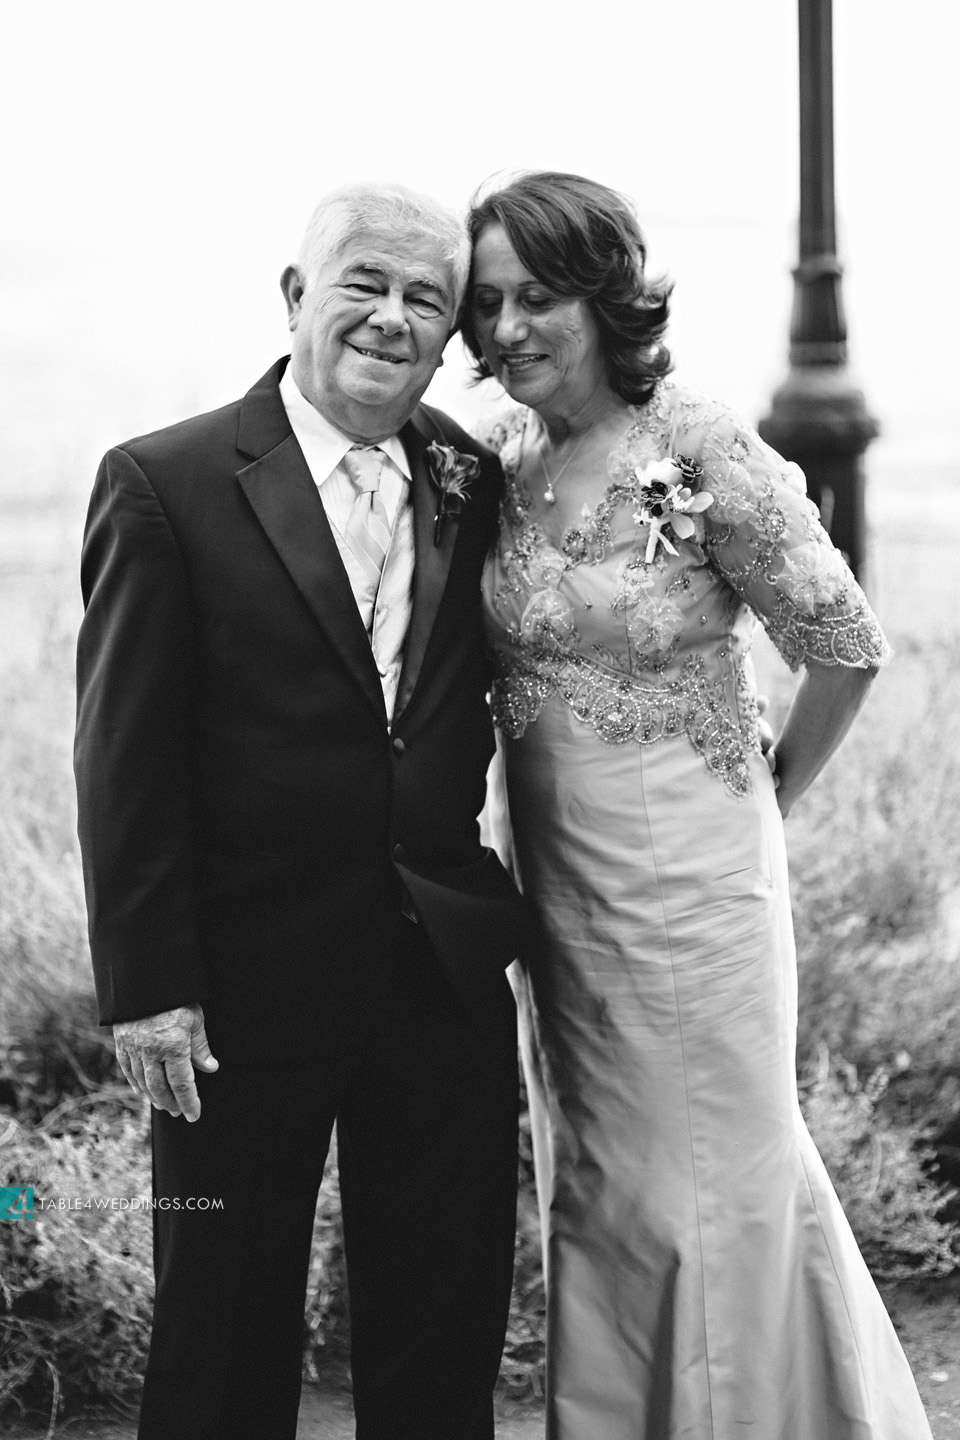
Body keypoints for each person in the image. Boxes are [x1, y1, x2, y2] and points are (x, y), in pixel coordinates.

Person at [461, 170, 932, 1439]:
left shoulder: (698, 442)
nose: (507, 329)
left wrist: (768, 792)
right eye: (488, 301)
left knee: (711, 1187)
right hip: (555, 899)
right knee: (605, 1190)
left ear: (606, 296)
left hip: (699, 900)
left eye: (539, 296)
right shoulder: (502, 461)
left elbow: (843, 642)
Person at [74, 182, 526, 1440]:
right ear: (294, 298)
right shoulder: (164, 483)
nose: (392, 317)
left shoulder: (471, 476)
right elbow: (124, 758)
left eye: (425, 298)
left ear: (451, 334)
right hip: (230, 994)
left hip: (437, 974)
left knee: (442, 1328)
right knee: (219, 1324)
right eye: (362, 286)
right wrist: (148, 986)